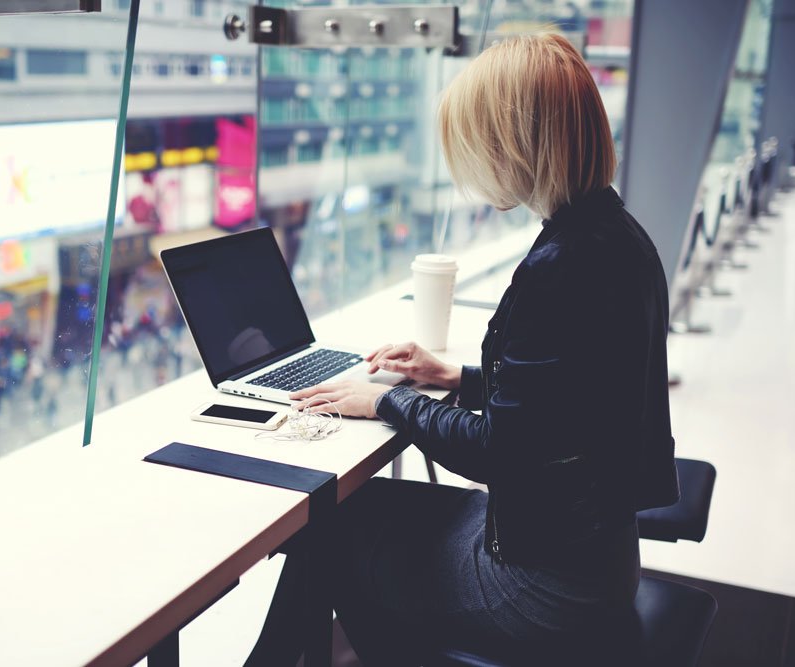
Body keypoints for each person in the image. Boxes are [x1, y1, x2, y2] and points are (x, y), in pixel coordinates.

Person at [252, 33, 681, 665]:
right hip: (601, 560)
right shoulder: (616, 237)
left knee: (329, 535)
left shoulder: (560, 268)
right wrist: (454, 376)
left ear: (514, 144)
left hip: (544, 590)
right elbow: (564, 407)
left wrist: (389, 404)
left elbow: (499, 453)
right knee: (350, 517)